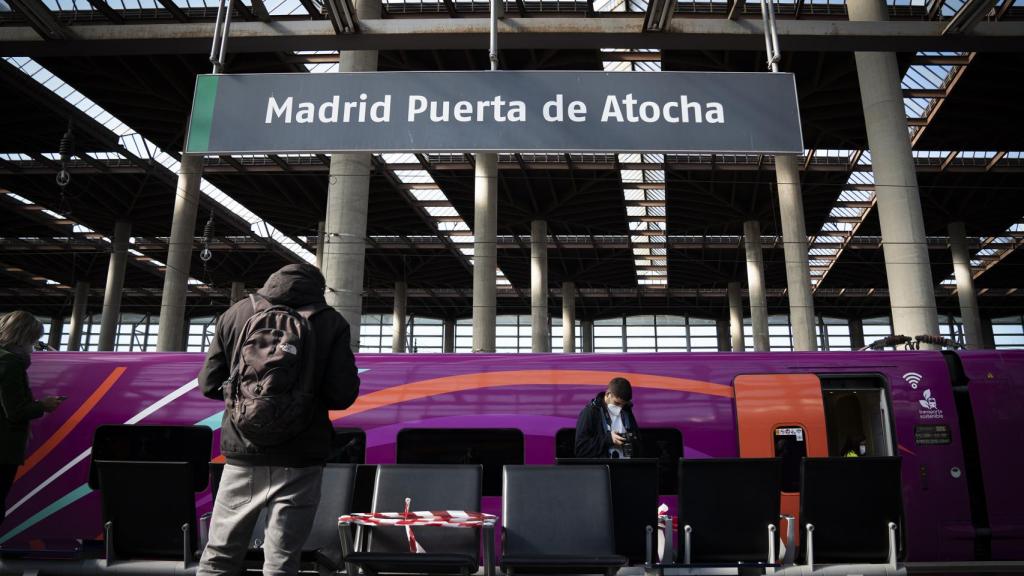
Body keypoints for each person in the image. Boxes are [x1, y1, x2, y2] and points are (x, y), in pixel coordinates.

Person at [196, 264, 361, 576]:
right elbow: (342, 395)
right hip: (300, 459)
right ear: (319, 289)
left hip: (242, 456)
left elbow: (208, 384)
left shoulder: (237, 313)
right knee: (282, 560)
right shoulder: (330, 322)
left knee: (219, 556)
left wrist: (248, 402)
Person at [0, 311, 64, 519]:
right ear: (23, 337)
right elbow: (16, 411)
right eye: (34, 339)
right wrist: (43, 406)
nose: (34, 345)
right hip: (3, 448)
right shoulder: (10, 363)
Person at [574, 377, 641, 458]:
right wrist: (609, 439)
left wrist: (632, 439)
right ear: (608, 394)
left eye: (623, 404)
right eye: (617, 403)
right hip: (603, 469)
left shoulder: (626, 411)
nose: (620, 408)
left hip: (626, 467)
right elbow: (580, 450)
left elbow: (639, 445)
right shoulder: (590, 412)